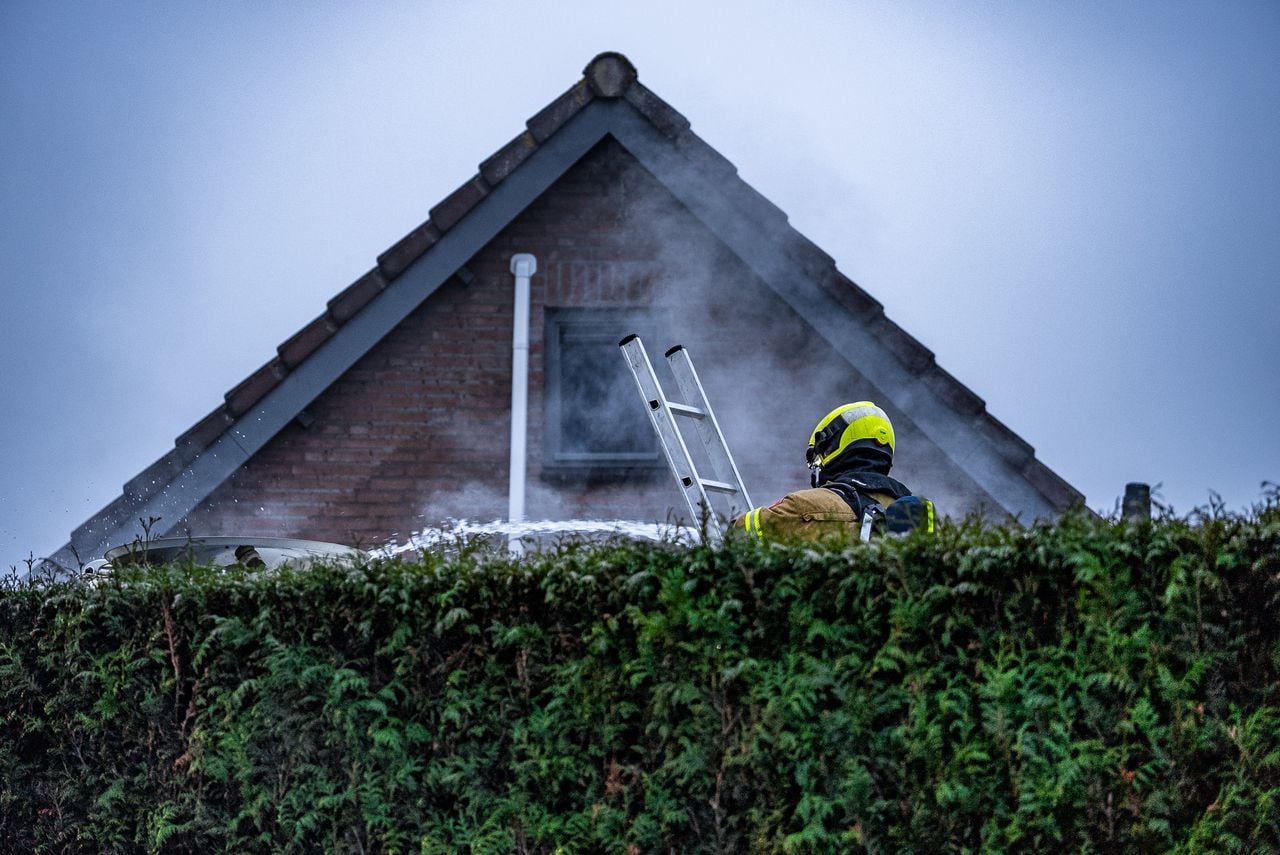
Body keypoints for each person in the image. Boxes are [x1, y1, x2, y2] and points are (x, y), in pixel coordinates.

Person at [736, 401, 934, 542]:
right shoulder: (921, 518)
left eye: (820, 456)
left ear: (834, 446)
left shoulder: (805, 506)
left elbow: (737, 534)